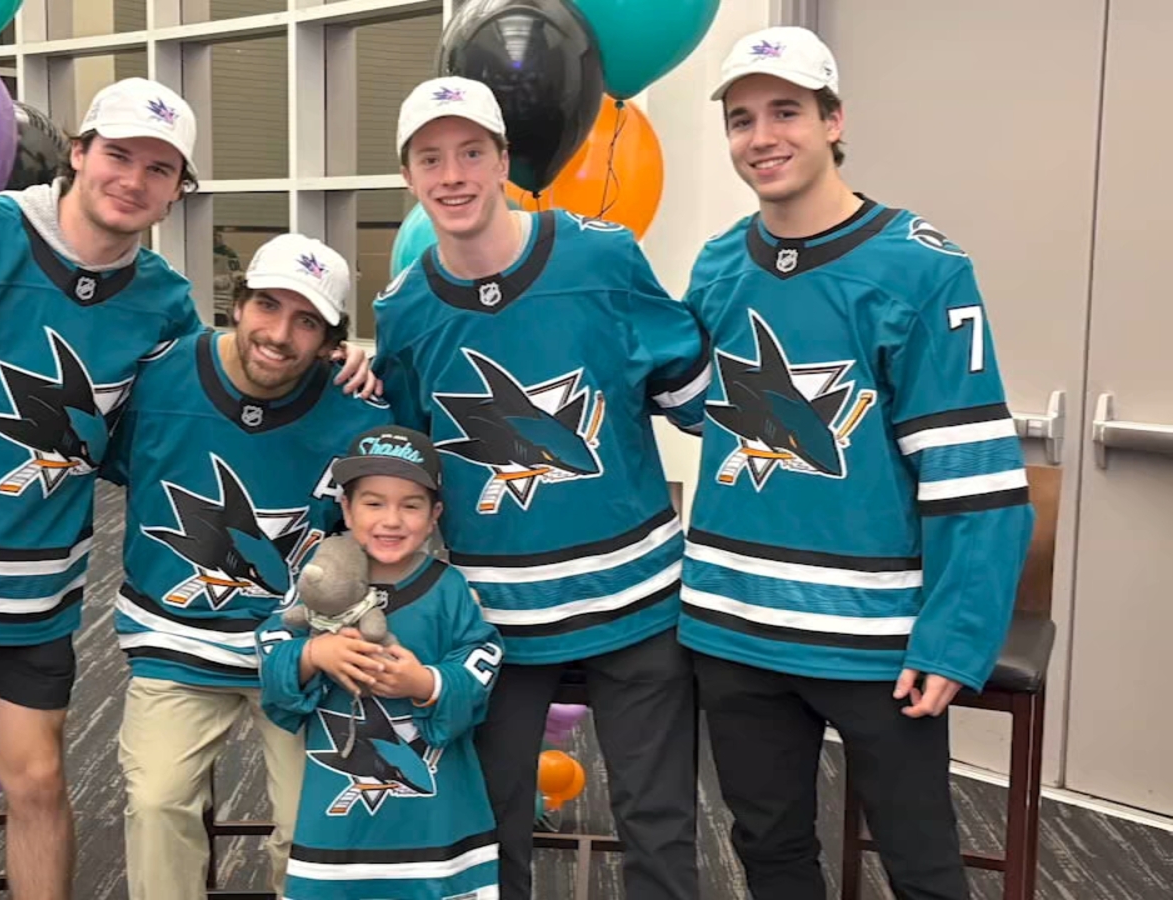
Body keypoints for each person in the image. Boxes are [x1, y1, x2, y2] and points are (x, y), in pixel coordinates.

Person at [0, 77, 371, 899]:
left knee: (39, 786)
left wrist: (333, 376)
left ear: (176, 192)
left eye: (159, 168)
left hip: (31, 596)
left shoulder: (163, 303)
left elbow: (183, 426)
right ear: (79, 154)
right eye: (119, 155)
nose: (133, 179)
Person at [679, 27, 1035, 900]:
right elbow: (689, 404)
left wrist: (954, 638)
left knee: (920, 861)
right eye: (741, 119)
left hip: (875, 641)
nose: (762, 137)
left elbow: (974, 474)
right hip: (733, 625)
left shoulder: (921, 268)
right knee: (769, 851)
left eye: (787, 111)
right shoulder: (720, 265)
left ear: (835, 120)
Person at [372, 76, 711, 900]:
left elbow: (701, 403)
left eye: (470, 154)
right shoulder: (405, 312)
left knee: (658, 821)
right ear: (410, 177)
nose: (452, 175)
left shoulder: (604, 257)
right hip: (495, 620)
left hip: (637, 601)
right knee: (490, 825)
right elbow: (414, 472)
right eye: (430, 159)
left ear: (504, 162)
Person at [102, 233, 391, 900]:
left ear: (330, 340)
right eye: (267, 305)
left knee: (310, 827)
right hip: (175, 644)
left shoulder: (357, 410)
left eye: (307, 321)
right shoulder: (158, 376)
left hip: (302, 650)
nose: (279, 334)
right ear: (237, 303)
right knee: (156, 804)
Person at [256, 424, 504, 899]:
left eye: (410, 505)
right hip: (334, 814)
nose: (391, 520)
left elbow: (482, 657)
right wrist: (313, 653)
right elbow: (270, 648)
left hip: (438, 813)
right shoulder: (315, 580)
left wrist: (425, 682)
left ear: (434, 515)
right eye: (373, 503)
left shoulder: (448, 587)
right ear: (346, 509)